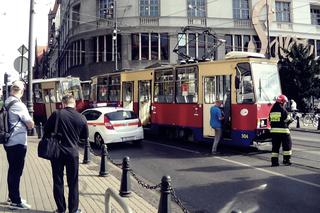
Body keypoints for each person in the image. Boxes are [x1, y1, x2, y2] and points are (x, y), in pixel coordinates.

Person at [43, 94, 88, 213]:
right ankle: (73, 210)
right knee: (73, 182)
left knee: (58, 181)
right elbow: (85, 137)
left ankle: (61, 209)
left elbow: (46, 129)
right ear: (74, 104)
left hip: (57, 152)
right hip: (72, 153)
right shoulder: (81, 118)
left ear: (63, 103)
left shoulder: (57, 114)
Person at [4, 80, 34, 210]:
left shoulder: (7, 101)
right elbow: (30, 124)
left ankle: (12, 196)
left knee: (12, 171)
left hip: (9, 141)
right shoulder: (19, 105)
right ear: (21, 91)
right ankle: (15, 201)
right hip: (17, 142)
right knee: (16, 172)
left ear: (11, 90)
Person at [269, 94, 293, 167]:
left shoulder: (272, 110)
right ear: (282, 102)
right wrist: (291, 120)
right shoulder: (283, 110)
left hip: (274, 132)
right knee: (287, 146)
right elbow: (287, 119)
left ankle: (274, 162)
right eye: (285, 102)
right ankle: (286, 160)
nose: (285, 103)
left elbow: (270, 120)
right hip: (284, 132)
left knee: (275, 147)